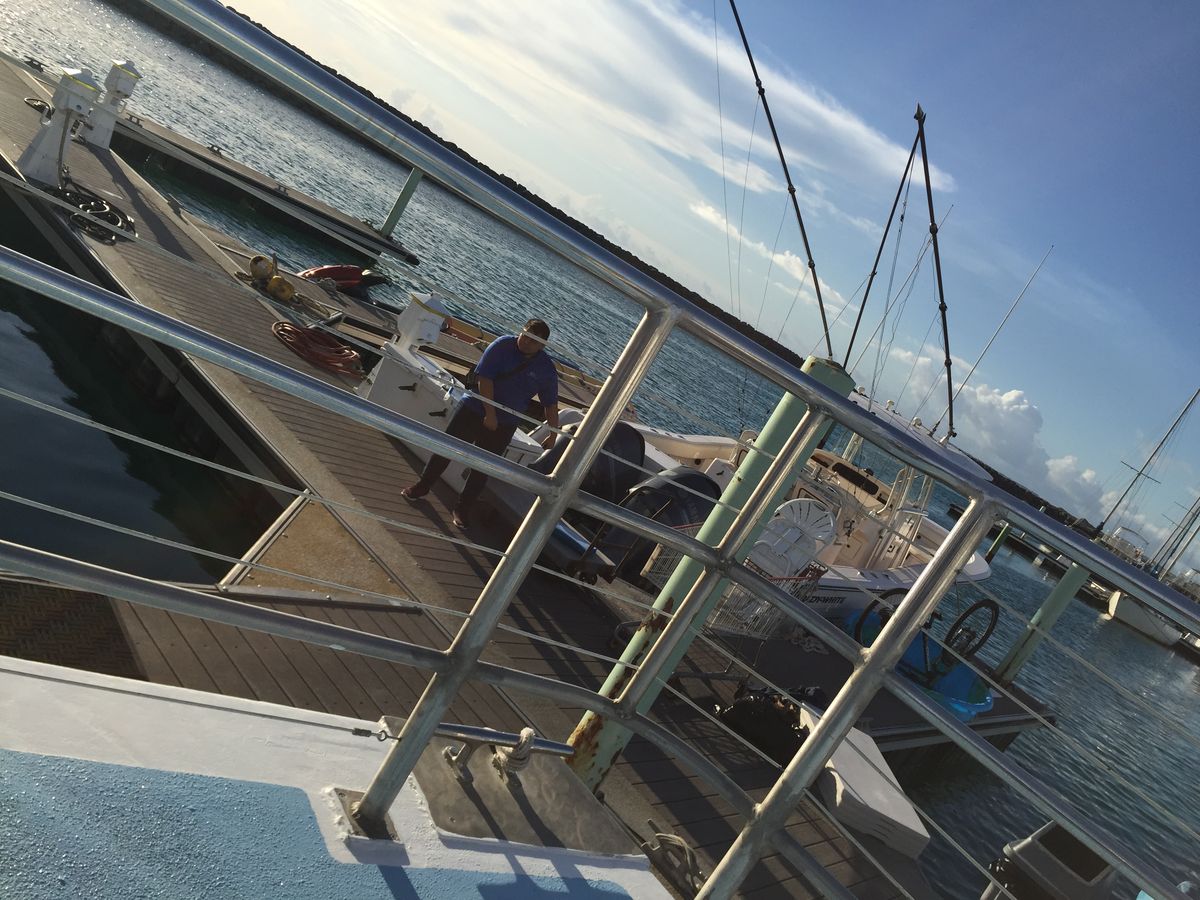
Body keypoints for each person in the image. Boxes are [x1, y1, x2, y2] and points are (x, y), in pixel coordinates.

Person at [401, 318, 559, 528]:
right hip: (474, 408)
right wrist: (490, 414)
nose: (526, 342)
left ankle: (462, 508)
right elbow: (484, 378)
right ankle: (422, 485)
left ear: (542, 346)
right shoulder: (502, 345)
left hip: (506, 422)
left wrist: (553, 433)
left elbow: (550, 403)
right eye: (525, 335)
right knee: (446, 449)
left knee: (483, 467)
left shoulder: (546, 368)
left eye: (533, 341)